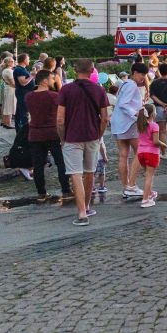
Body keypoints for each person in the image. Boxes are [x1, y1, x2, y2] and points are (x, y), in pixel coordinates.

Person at [57, 59, 110, 226]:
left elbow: (60, 119)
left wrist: (62, 138)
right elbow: (105, 118)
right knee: (89, 172)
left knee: (75, 174)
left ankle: (81, 213)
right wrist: (99, 134)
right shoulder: (99, 90)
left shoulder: (66, 90)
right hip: (92, 136)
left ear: (75, 70)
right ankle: (87, 206)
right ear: (92, 70)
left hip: (72, 136)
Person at [25, 69, 71, 201]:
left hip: (35, 133)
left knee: (38, 165)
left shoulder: (29, 96)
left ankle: (41, 193)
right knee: (61, 162)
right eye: (51, 79)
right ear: (45, 81)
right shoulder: (54, 96)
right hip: (52, 133)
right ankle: (66, 190)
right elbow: (60, 116)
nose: (53, 81)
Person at [111, 61, 148, 198]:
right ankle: (131, 185)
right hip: (128, 122)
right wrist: (136, 114)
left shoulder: (124, 84)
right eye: (141, 74)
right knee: (140, 152)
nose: (143, 77)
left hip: (119, 123)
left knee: (123, 155)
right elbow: (123, 104)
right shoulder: (132, 85)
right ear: (135, 73)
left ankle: (126, 186)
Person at [134, 103, 165, 208]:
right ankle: (145, 199)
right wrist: (163, 145)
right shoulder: (154, 125)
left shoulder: (140, 125)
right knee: (149, 177)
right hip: (151, 153)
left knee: (147, 174)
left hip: (141, 153)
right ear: (152, 114)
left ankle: (150, 193)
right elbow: (155, 141)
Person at [13, 53, 34, 131]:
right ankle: (25, 131)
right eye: (28, 59)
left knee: (19, 111)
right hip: (23, 92)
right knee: (24, 112)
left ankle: (19, 129)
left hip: (24, 92)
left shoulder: (22, 69)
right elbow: (23, 83)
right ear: (24, 60)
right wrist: (32, 76)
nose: (29, 60)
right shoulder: (19, 69)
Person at [0, 56, 17, 129]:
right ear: (8, 63)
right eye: (12, 61)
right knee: (9, 106)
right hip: (11, 89)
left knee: (7, 105)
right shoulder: (9, 71)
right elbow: (13, 83)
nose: (14, 62)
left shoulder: (5, 70)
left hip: (8, 88)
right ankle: (8, 123)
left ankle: (4, 122)